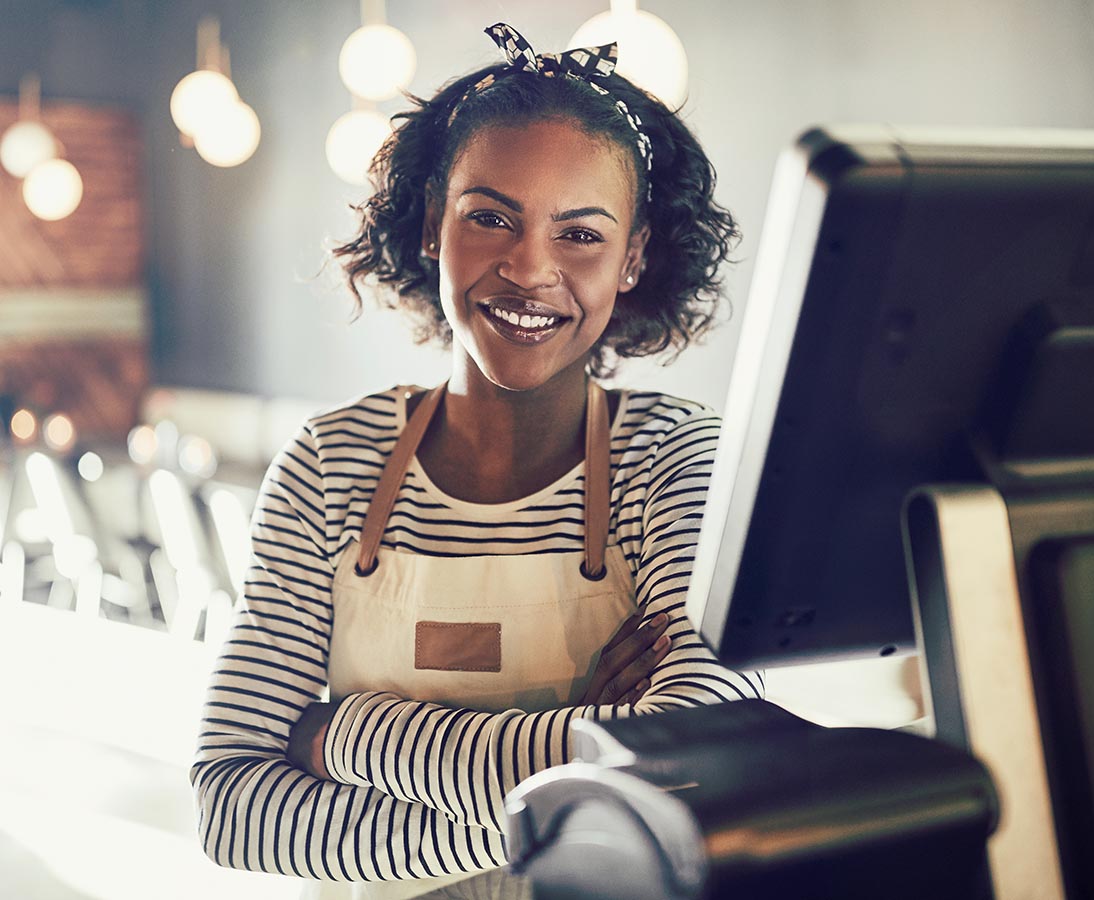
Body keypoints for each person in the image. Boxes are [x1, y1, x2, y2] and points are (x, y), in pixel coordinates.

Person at [191, 22, 764, 899]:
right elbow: (232, 808)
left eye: (580, 235)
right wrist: (587, 771)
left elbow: (685, 770)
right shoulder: (330, 464)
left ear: (634, 258)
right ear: (433, 226)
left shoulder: (679, 461)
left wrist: (347, 735)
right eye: (490, 217)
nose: (529, 269)